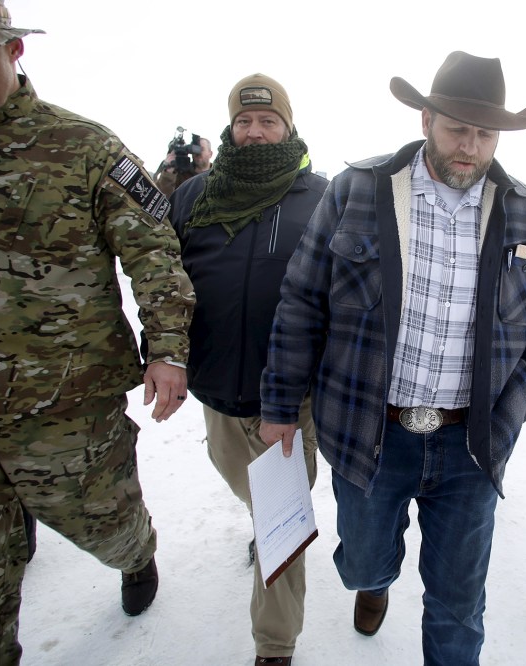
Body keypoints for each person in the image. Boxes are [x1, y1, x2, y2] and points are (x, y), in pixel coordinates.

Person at [258, 51, 526, 665]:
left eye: (485, 135)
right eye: (458, 128)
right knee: (362, 561)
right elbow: (301, 299)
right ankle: (373, 583)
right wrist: (279, 405)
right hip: (368, 431)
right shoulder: (359, 190)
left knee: (458, 604)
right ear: (426, 119)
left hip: (471, 444)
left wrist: (519, 399)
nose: (471, 148)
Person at [0, 4, 195, 664]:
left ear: (13, 49)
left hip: (63, 411)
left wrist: (166, 349)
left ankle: (137, 553)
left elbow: (154, 252)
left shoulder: (85, 148)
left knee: (107, 528)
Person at [168, 73, 328, 666]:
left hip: (287, 400)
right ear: (230, 129)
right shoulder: (195, 196)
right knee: (249, 492)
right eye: (244, 122)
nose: (255, 132)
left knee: (282, 526)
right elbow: (168, 282)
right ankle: (264, 517)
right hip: (217, 390)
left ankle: (275, 646)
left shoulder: (321, 197)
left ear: (288, 127)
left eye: (268, 122)